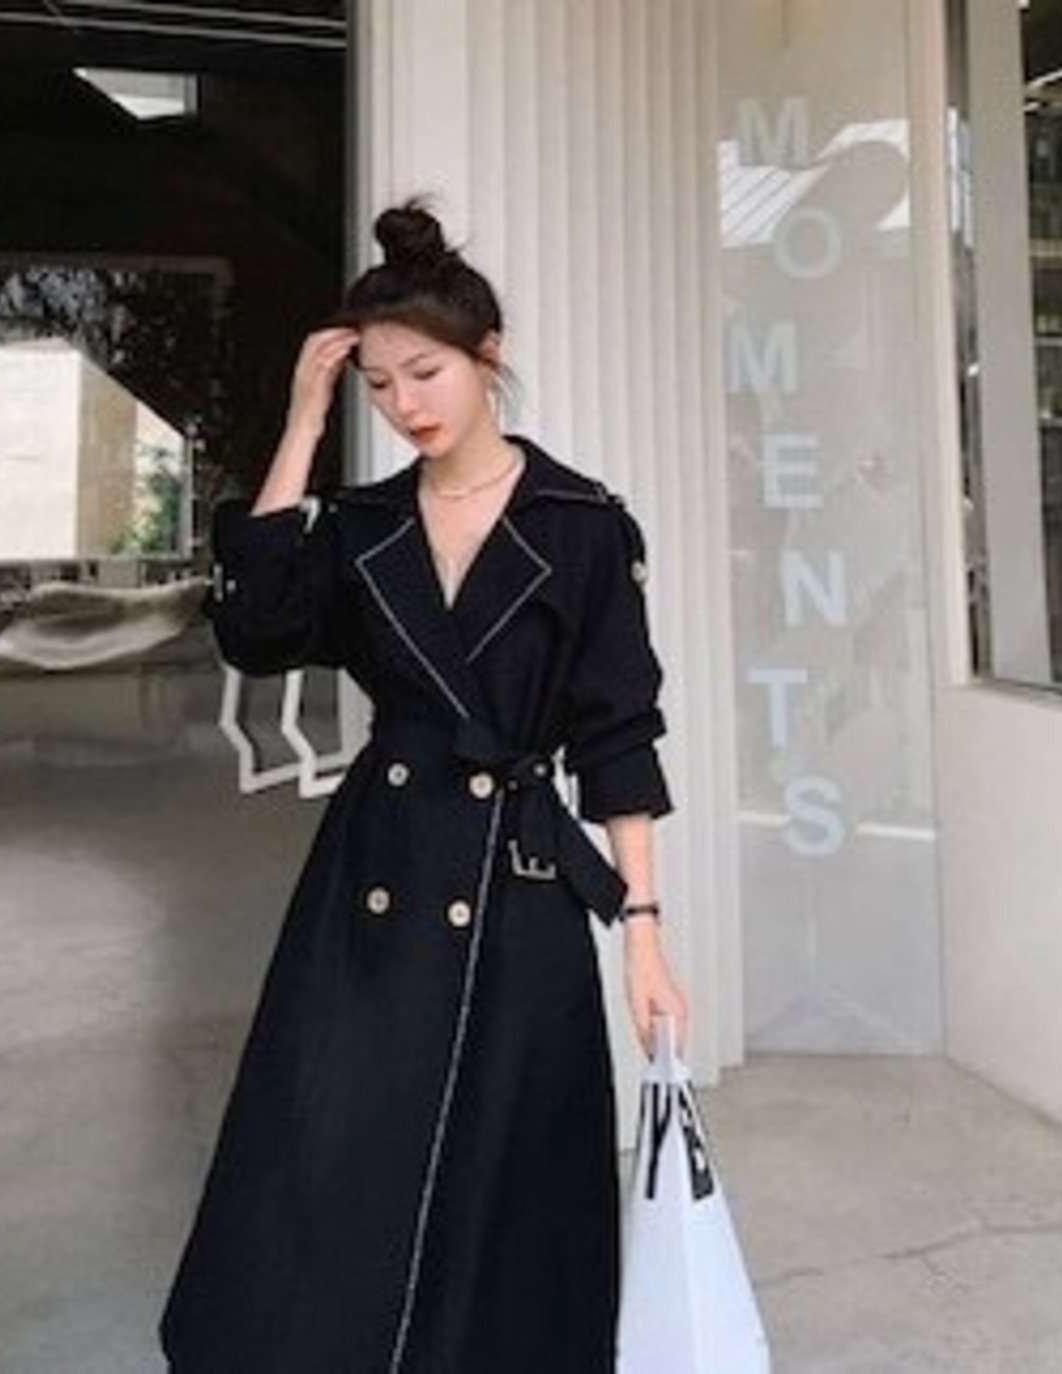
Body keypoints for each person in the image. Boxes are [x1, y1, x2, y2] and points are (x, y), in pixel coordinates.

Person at [161, 201, 688, 1374]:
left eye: (426, 373)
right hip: (377, 870)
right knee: (331, 1144)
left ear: (486, 356)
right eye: (378, 385)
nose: (405, 405)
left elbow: (617, 737)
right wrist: (302, 420)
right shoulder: (360, 526)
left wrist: (643, 933)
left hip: (520, 882)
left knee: (510, 1161)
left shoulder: (582, 527)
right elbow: (257, 630)